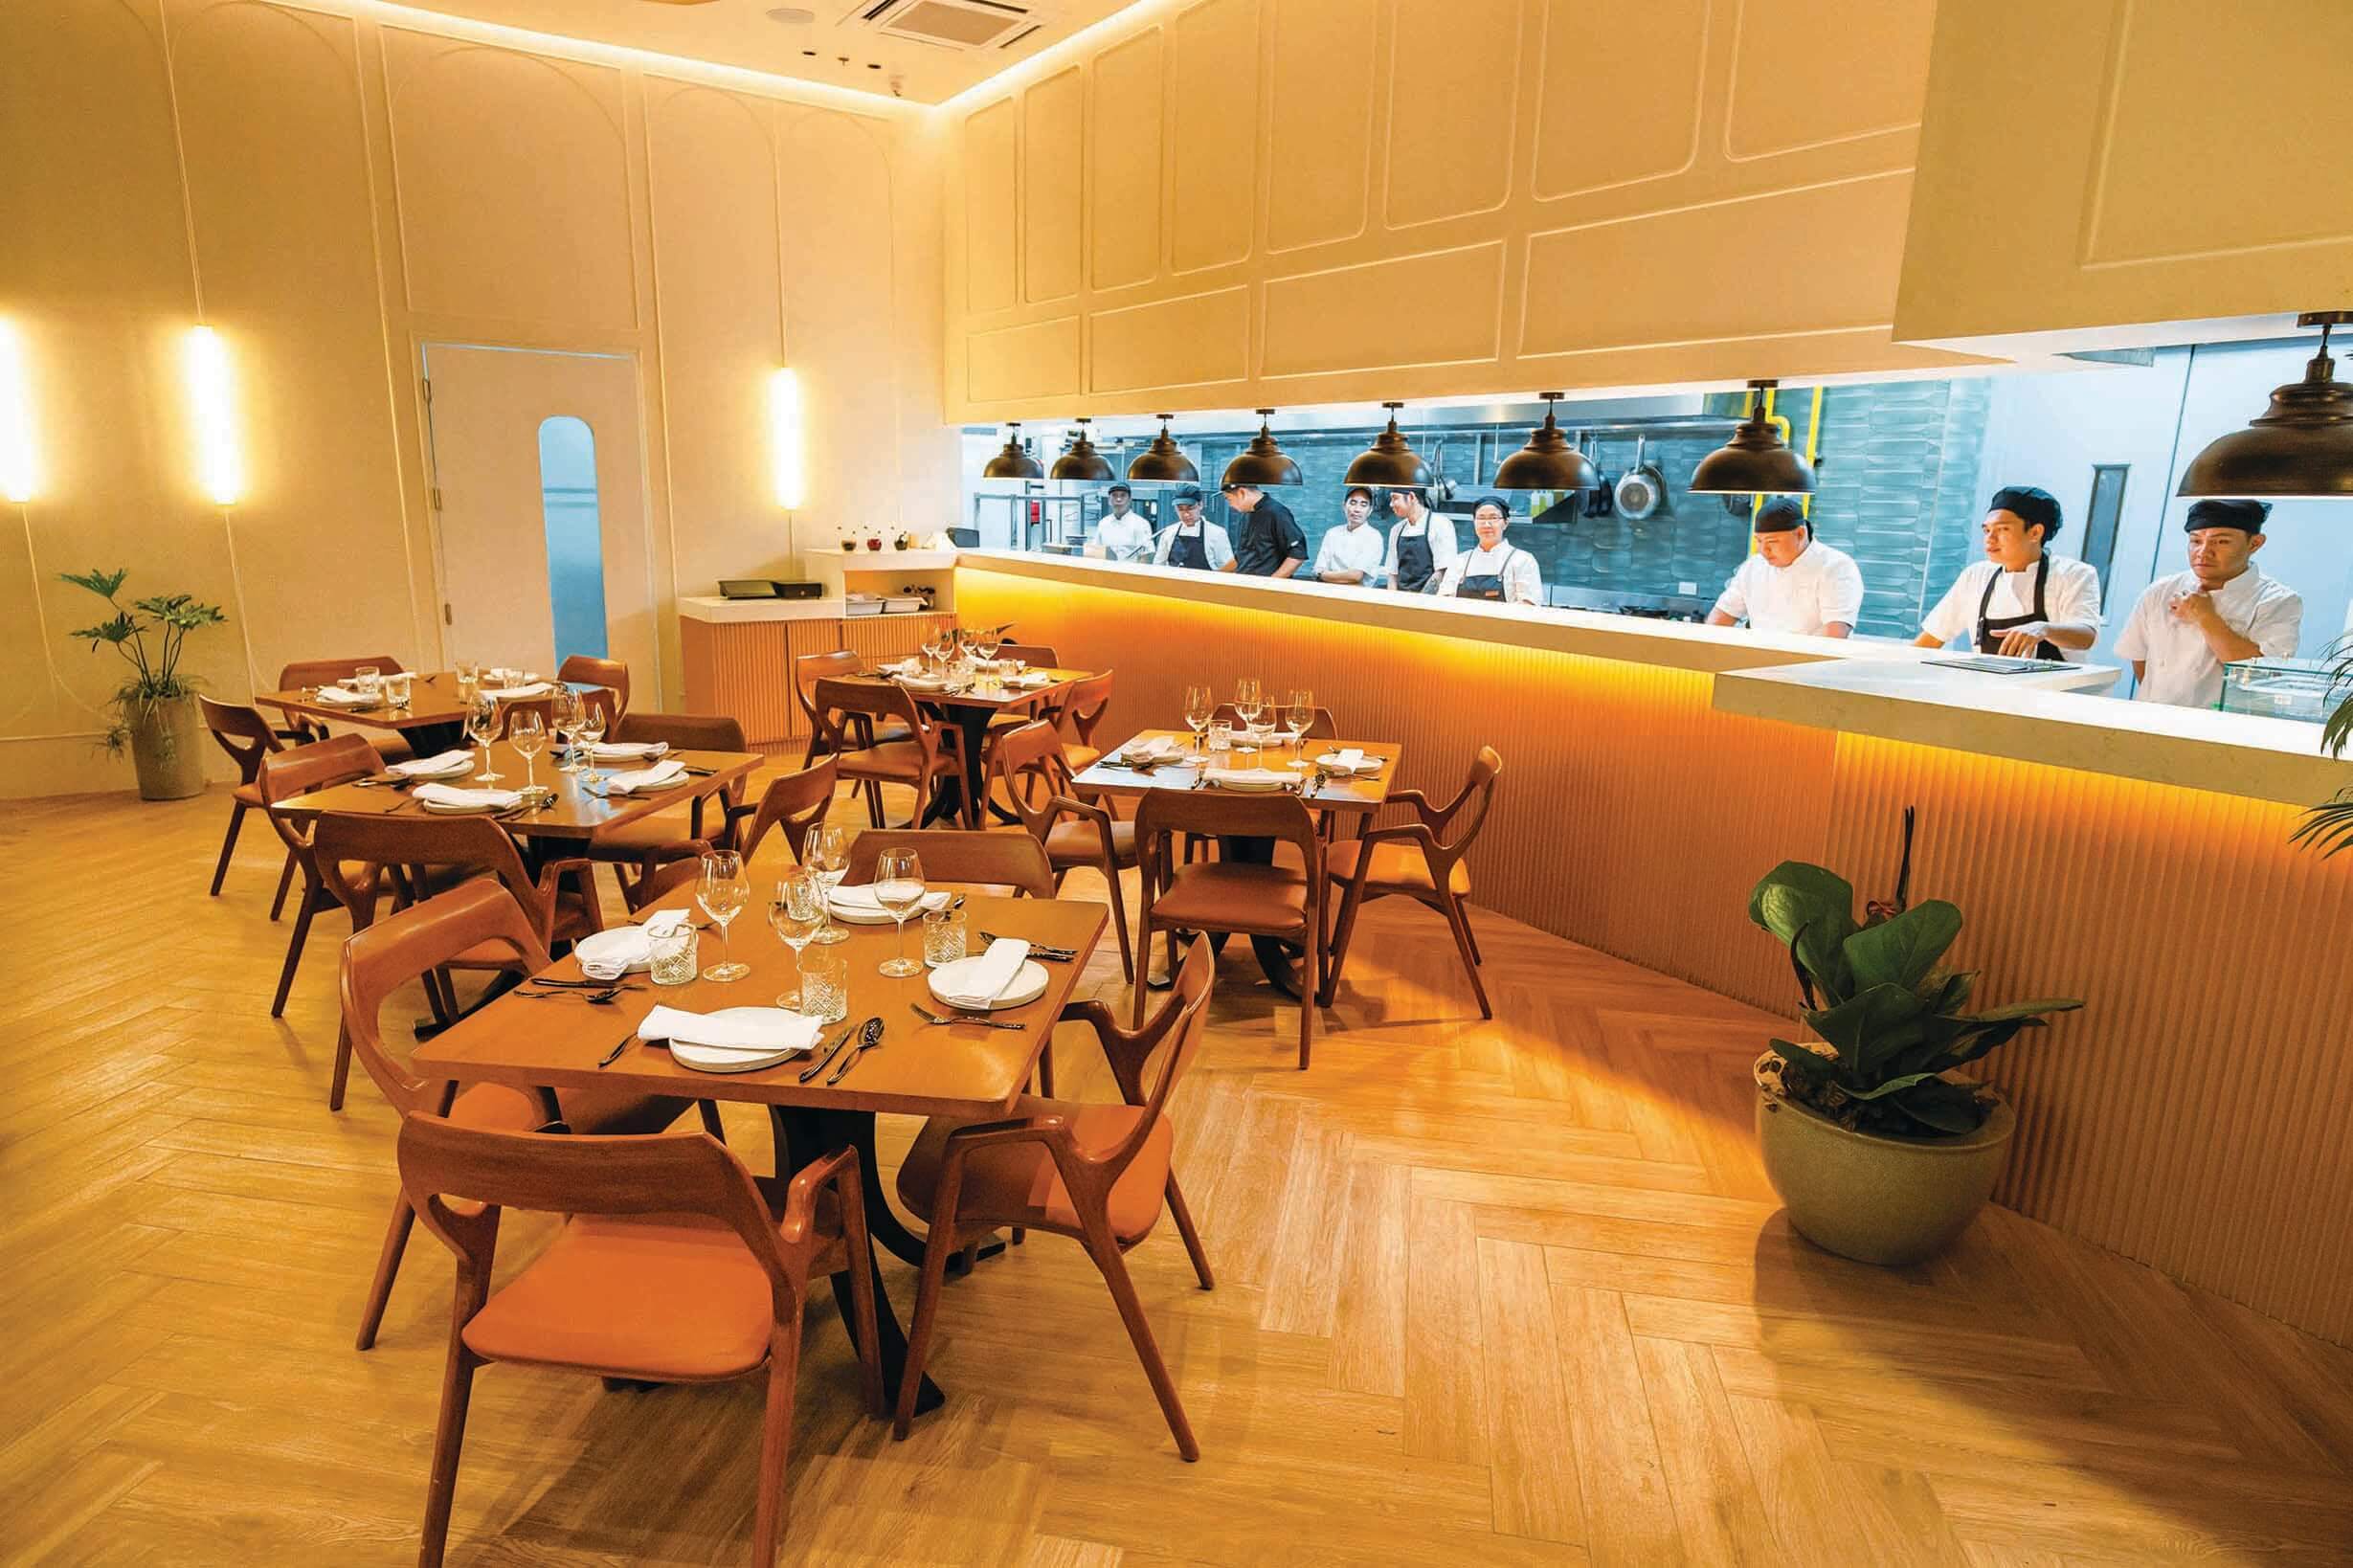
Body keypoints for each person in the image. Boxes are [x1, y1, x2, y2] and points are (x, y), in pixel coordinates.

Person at [2114, 499, 2301, 708]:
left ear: (2255, 543)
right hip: (2154, 715)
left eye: (2221, 542)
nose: (2203, 552)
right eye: (2196, 541)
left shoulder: (2278, 601)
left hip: (2226, 723)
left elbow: (2262, 675)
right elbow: (2139, 659)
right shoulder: (2160, 591)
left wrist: (2206, 617)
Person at [1914, 485, 2102, 661]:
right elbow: (1932, 637)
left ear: (2035, 533)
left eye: (2002, 529)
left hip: (2055, 685)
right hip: (1990, 683)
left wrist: (2044, 629)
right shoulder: (1976, 575)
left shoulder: (2073, 574)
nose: (1990, 539)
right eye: (1987, 530)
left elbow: (2086, 636)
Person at [1706, 498, 1865, 638]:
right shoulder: (1753, 567)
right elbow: (1722, 615)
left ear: (1800, 534)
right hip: (1758, 658)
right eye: (1759, 541)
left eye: (1772, 542)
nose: (1764, 550)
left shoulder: (1837, 567)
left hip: (1812, 661)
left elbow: (1835, 633)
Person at [1433, 496, 1542, 606]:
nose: (1486, 524)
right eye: (1481, 518)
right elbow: (1444, 602)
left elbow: (1528, 605)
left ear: (1506, 523)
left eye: (1493, 518)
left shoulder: (1523, 560)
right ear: (1474, 522)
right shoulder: (1460, 561)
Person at [1221, 480, 1307, 577]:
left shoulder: (1277, 513)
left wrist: (1269, 582)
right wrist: (1216, 574)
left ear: (1242, 493)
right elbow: (1241, 556)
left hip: (1267, 585)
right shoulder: (1245, 515)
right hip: (1245, 582)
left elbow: (1297, 555)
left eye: (1229, 499)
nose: (1230, 505)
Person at [1383, 484, 1457, 594]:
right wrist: (1392, 600)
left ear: (1411, 497)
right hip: (1400, 598)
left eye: (1395, 498)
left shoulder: (1441, 524)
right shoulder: (1396, 530)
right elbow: (1392, 574)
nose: (1391, 504)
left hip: (1430, 599)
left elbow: (1442, 571)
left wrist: (1420, 601)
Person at [1312, 485, 1387, 586]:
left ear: (1370, 510)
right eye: (1353, 503)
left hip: (1356, 594)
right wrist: (1320, 574)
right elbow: (1317, 569)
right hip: (1326, 591)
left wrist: (1322, 575)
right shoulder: (1332, 533)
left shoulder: (1374, 537)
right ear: (1344, 506)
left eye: (1363, 505)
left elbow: (1355, 576)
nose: (1357, 509)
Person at [1151, 484, 1232, 571]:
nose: (1186, 514)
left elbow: (1228, 568)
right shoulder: (1168, 533)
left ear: (1200, 505)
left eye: (1190, 508)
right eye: (1180, 509)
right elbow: (1157, 567)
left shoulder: (1217, 534)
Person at [1093, 482, 1154, 563]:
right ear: (1109, 501)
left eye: (1123, 495)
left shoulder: (1141, 523)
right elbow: (1095, 551)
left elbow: (1148, 555)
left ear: (1130, 500)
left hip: (1131, 570)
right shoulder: (1103, 523)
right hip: (1106, 569)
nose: (1118, 499)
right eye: (1114, 495)